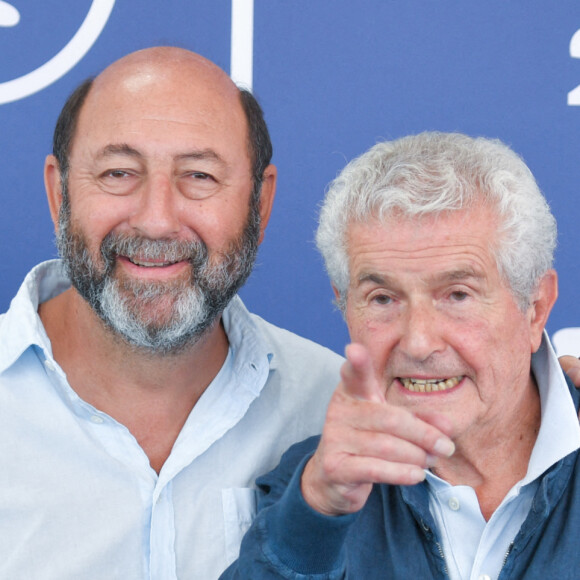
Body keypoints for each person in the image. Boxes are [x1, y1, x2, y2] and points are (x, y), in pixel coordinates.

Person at [0, 47, 343, 579]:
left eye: (200, 176)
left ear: (261, 201)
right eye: (118, 173)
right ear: (58, 192)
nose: (157, 220)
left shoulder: (333, 409)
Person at [221, 132, 580, 579]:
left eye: (457, 295)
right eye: (383, 299)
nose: (418, 343)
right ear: (344, 305)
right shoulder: (310, 488)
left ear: (535, 308)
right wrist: (315, 516)